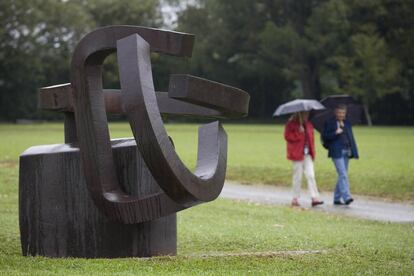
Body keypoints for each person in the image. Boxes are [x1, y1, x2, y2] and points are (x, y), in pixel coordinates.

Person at [284, 111, 324, 207]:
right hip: (297, 154)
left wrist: (312, 153)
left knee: (311, 175)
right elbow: (287, 136)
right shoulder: (291, 124)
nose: (306, 115)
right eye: (304, 114)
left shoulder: (309, 125)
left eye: (307, 114)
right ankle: (295, 198)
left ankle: (314, 197)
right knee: (297, 177)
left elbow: (311, 140)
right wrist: (299, 132)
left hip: (307, 154)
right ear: (299, 114)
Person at [322, 105, 359, 205]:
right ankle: (346, 197)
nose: (341, 115)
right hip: (336, 152)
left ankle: (337, 198)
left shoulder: (347, 123)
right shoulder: (329, 122)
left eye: (343, 113)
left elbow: (350, 137)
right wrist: (335, 132)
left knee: (342, 175)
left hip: (347, 151)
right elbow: (324, 137)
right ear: (335, 113)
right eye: (339, 113)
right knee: (343, 174)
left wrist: (353, 150)